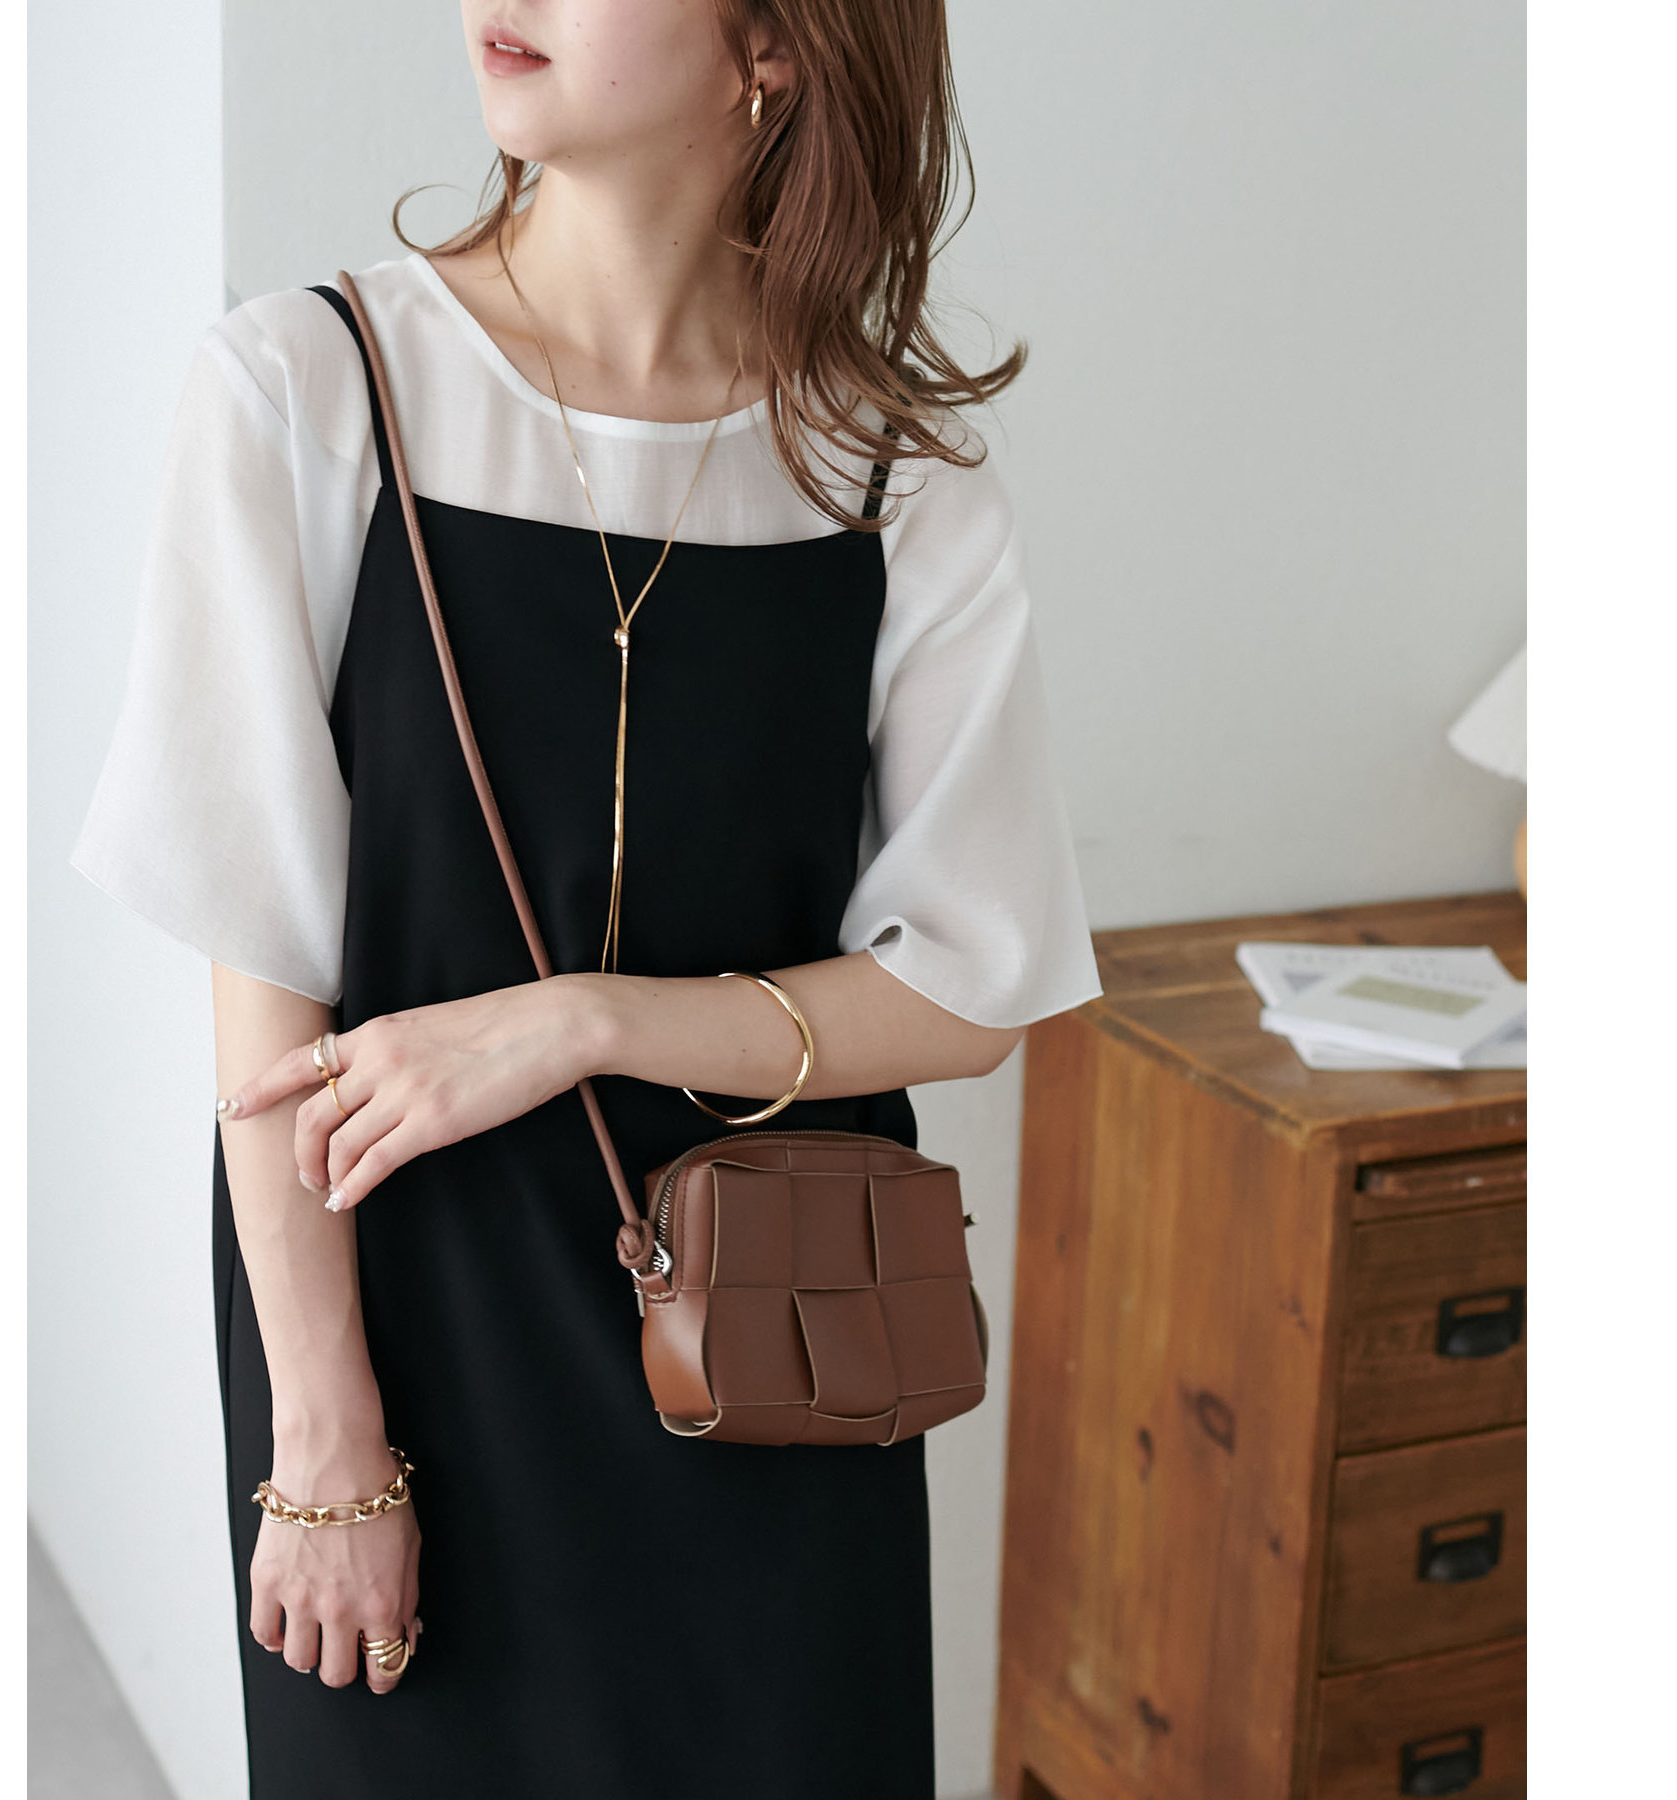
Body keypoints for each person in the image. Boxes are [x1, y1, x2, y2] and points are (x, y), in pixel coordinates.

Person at [71, 1, 1100, 1793]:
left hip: (778, 1356)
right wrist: (325, 1442)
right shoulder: (311, 390)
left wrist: (584, 1025)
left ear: (774, 44)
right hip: (411, 1359)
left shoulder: (883, 468)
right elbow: (267, 999)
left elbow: (969, 988)